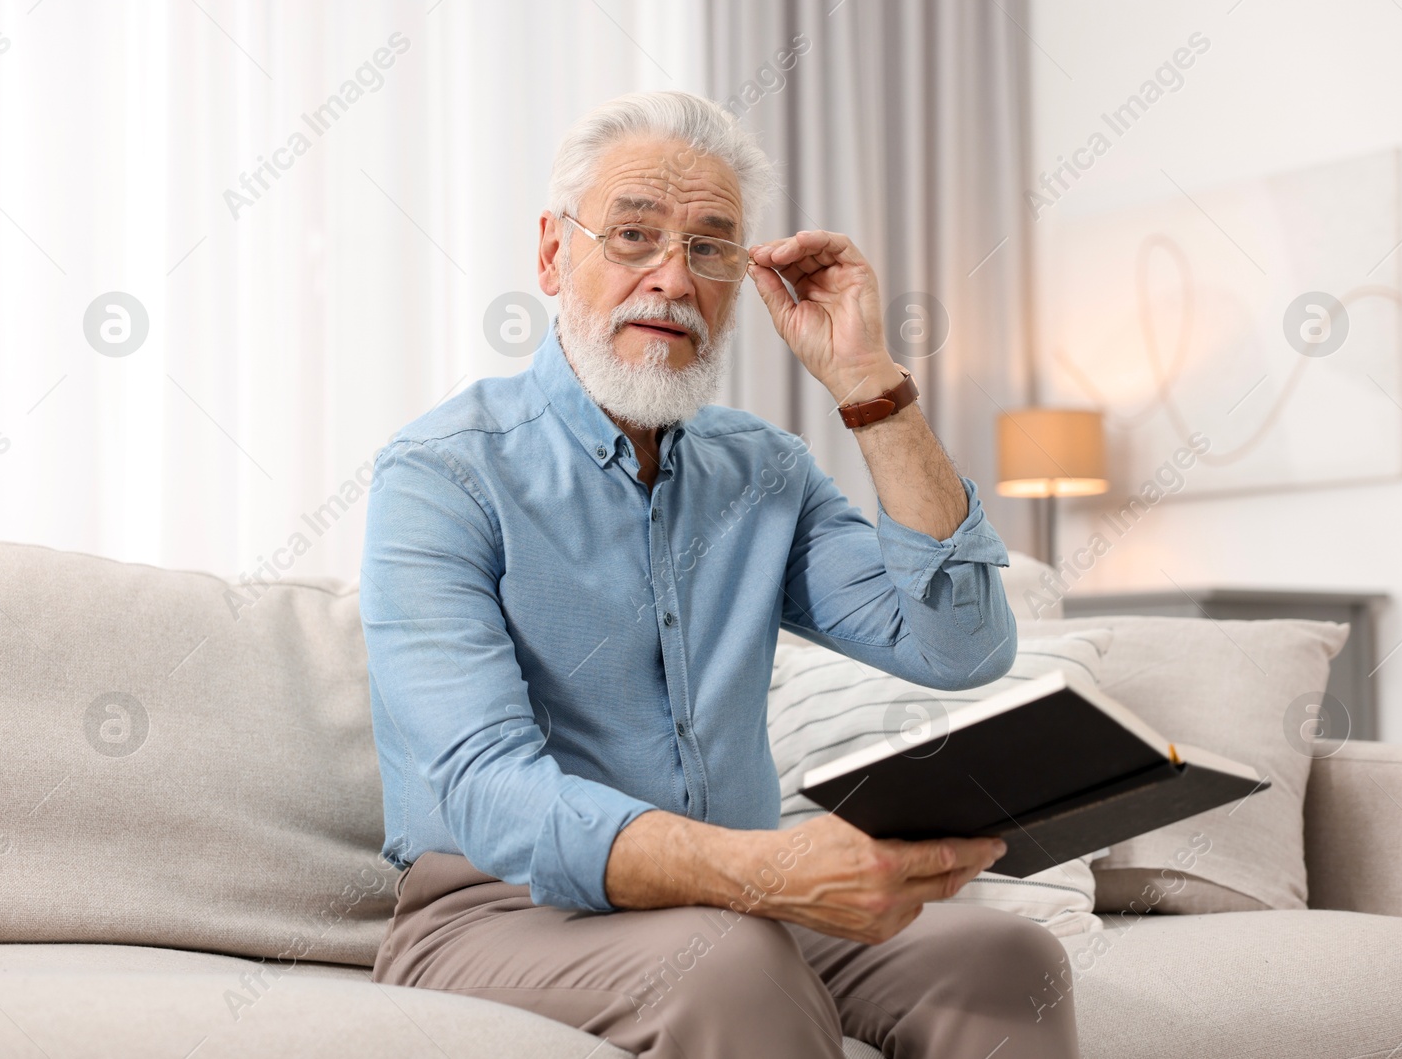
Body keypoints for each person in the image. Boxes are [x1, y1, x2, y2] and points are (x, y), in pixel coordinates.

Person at [361, 90, 1078, 1058]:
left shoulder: (765, 470)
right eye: (632, 235)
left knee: (1001, 954)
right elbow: (491, 792)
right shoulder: (443, 471)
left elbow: (958, 647)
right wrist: (761, 869)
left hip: (736, 906)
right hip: (500, 908)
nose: (671, 277)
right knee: (726, 958)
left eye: (709, 247)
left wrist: (867, 383)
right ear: (550, 253)